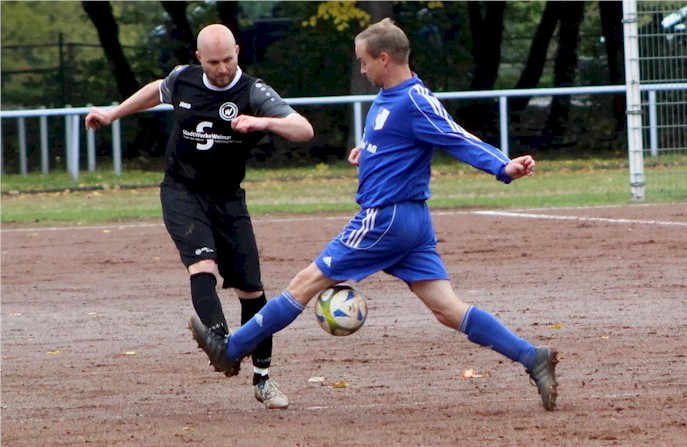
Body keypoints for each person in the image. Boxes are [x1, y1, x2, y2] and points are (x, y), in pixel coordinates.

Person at [189, 18, 559, 411]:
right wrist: (369, 152)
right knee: (448, 309)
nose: (361, 69)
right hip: (410, 224)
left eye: (364, 62)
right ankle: (531, 356)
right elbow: (397, 141)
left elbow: (456, 137)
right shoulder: (389, 97)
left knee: (304, 282)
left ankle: (231, 349)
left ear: (385, 59)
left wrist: (504, 167)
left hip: (386, 218)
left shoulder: (415, 99)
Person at [85, 24, 314, 410]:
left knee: (252, 291)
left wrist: (262, 122)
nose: (222, 68)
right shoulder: (185, 80)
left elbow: (303, 129)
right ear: (199, 60)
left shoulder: (253, 92)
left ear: (237, 52)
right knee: (202, 264)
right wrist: (113, 114)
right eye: (213, 62)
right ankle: (221, 342)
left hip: (228, 200)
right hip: (182, 191)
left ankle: (263, 379)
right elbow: (156, 90)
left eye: (227, 59)